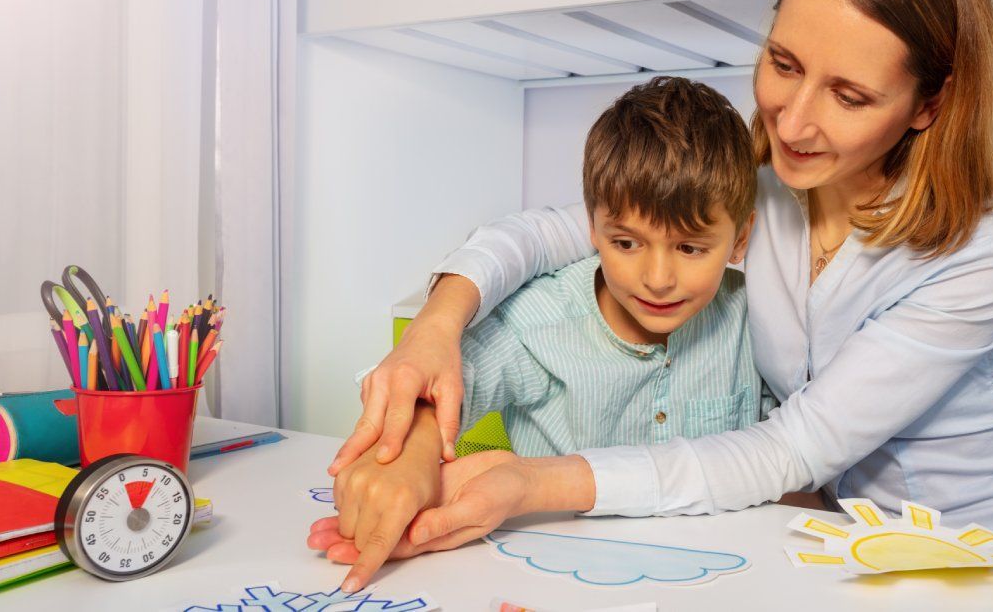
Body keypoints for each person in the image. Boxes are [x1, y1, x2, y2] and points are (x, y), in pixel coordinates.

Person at [316, 0, 993, 593]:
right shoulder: (764, 193)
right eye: (784, 65)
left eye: (849, 97)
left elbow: (794, 446)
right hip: (835, 548)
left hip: (991, 548)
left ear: (929, 103)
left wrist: (532, 482)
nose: (792, 122)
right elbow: (557, 230)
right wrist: (437, 327)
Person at [313, 76, 814, 589]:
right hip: (549, 583)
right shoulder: (541, 320)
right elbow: (436, 384)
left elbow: (787, 452)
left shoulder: (756, 319)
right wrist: (412, 457)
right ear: (591, 230)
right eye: (626, 243)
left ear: (741, 239)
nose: (658, 279)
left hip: (722, 583)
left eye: (690, 249)